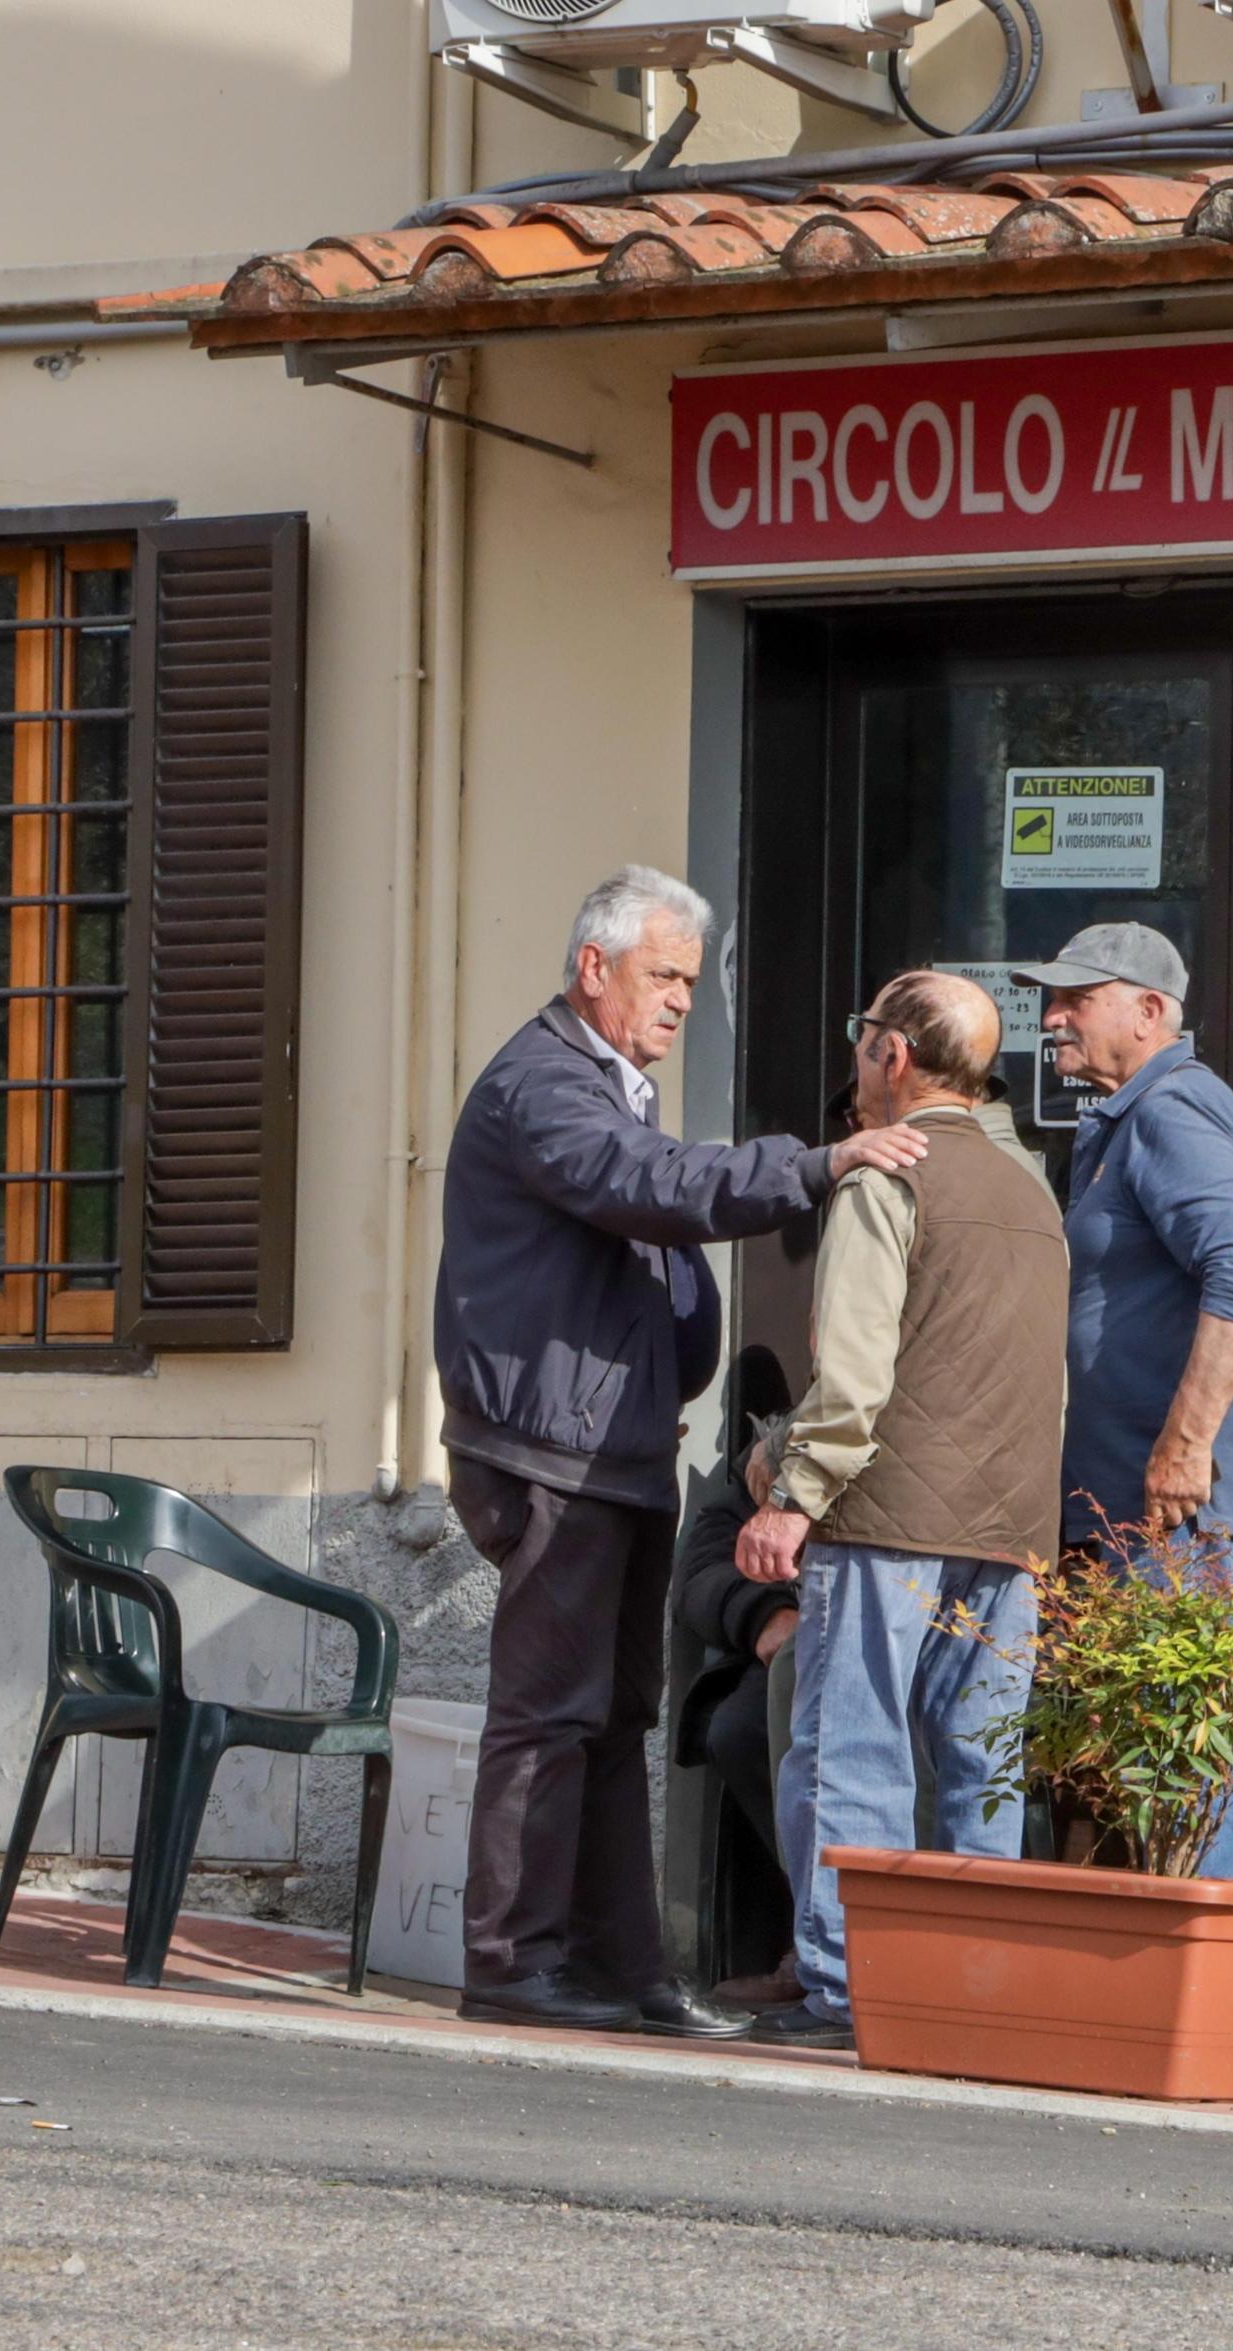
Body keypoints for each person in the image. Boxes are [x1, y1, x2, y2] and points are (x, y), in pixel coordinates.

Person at [435, 866, 931, 2035]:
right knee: (551, 1714)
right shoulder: (543, 1083)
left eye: (691, 985)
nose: (678, 1005)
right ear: (591, 968)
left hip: (612, 1443)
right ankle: (511, 1964)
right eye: (662, 978)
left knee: (614, 1719)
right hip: (549, 1446)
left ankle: (623, 1972)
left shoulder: (610, 1082)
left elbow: (643, 1204)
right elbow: (642, 1186)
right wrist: (815, 1165)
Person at [735, 970, 1071, 2048]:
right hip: (1012, 1521)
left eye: (863, 1035)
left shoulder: (890, 1178)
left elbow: (853, 1374)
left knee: (849, 1748)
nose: (856, 1055)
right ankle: (978, 1991)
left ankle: (846, 1990)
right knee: (985, 1762)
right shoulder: (1032, 1188)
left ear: (894, 1057)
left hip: (887, 1515)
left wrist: (793, 1495)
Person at [1014, 923, 1233, 1874]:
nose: (1052, 1018)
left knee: (1179, 1771)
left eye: (1076, 999)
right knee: (1158, 1765)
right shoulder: (1124, 1118)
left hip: (1187, 1508)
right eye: (1051, 1000)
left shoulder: (1170, 1113)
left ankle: (1188, 2009)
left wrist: (1185, 1444)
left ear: (1150, 1012)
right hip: (1151, 1506)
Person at [669, 1351, 801, 2008]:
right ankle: (810, 1930)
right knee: (741, 1730)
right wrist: (767, 1616)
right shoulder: (753, 1473)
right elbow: (698, 1574)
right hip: (787, 1657)